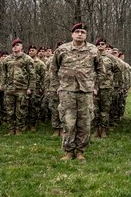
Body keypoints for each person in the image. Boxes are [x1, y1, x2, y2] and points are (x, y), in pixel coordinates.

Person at [50, 24, 103, 162]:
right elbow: (53, 69)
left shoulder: (93, 50)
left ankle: (80, 151)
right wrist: (57, 86)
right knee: (68, 122)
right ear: (72, 34)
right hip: (67, 91)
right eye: (77, 32)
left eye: (83, 32)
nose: (80, 34)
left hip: (86, 92)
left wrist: (95, 86)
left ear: (86, 35)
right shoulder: (62, 50)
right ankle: (68, 151)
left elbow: (101, 70)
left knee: (84, 123)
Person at [0, 38, 35, 136]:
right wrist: (2, 85)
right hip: (10, 88)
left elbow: (32, 74)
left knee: (21, 110)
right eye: (14, 46)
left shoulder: (27, 59)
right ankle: (11, 129)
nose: (15, 47)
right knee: (9, 110)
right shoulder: (7, 59)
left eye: (17, 45)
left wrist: (30, 88)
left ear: (21, 47)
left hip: (22, 88)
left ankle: (19, 129)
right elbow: (3, 73)